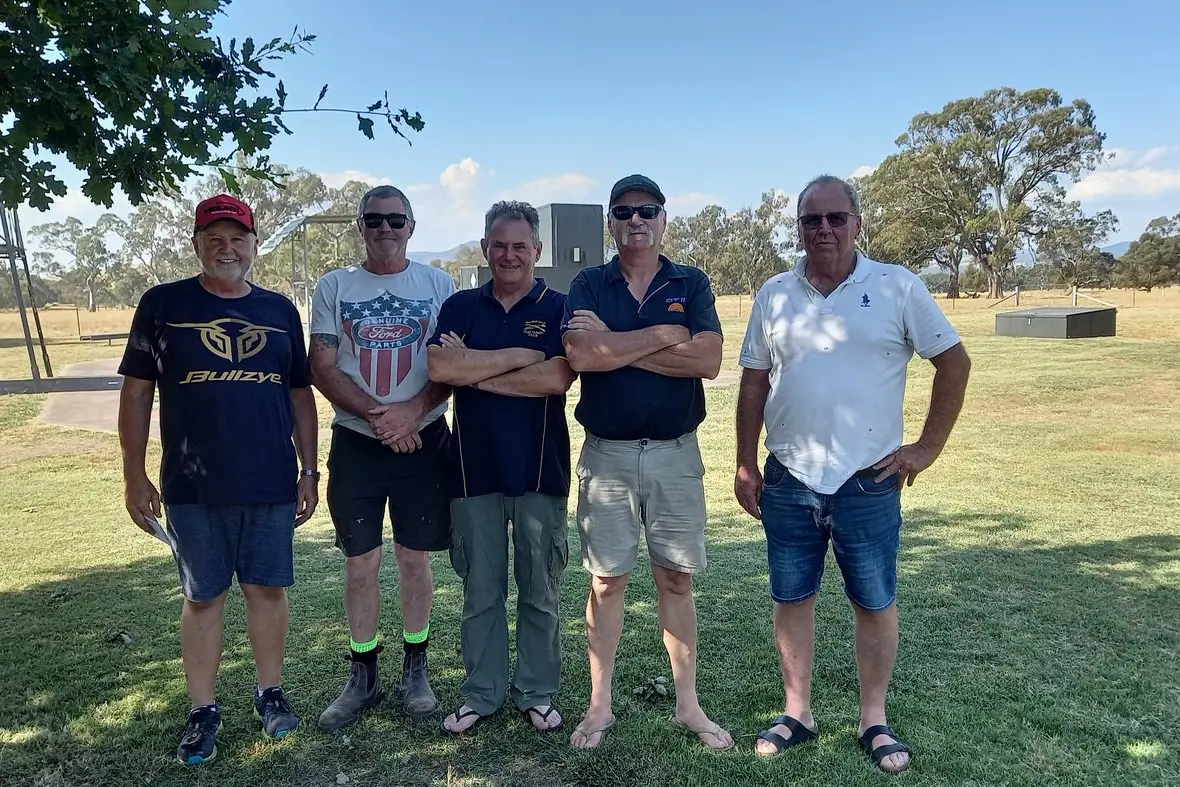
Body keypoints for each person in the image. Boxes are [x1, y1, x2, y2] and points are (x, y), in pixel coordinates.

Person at [734, 175, 972, 774]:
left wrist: (925, 448)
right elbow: (754, 381)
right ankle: (798, 712)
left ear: (857, 222)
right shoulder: (774, 293)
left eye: (836, 218)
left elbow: (953, 362)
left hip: (869, 480)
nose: (824, 230)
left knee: (873, 600)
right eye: (811, 220)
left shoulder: (897, 287)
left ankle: (874, 719)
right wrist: (743, 460)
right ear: (798, 227)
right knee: (792, 597)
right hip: (788, 476)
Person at [117, 194, 320, 764]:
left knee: (266, 589)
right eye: (215, 238)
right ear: (198, 245)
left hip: (271, 479)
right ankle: (202, 711)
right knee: (203, 597)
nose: (227, 248)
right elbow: (136, 395)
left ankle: (270, 694)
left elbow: (299, 393)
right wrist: (134, 477)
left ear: (254, 244)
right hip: (191, 484)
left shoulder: (280, 311)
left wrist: (309, 468)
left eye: (238, 238)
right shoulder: (162, 305)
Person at [561, 174, 733, 751]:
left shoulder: (691, 281)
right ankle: (598, 707)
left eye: (648, 211)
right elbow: (582, 354)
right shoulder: (589, 281)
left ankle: (688, 707)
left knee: (676, 578)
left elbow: (707, 359)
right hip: (606, 457)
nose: (636, 220)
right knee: (606, 583)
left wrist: (618, 343)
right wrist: (663, 336)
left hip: (674, 454)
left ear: (663, 219)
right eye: (624, 211)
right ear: (611, 221)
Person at [309, 185, 455, 731]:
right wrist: (380, 416)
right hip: (357, 442)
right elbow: (321, 365)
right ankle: (363, 672)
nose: (385, 229)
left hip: (424, 441)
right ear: (361, 226)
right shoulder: (335, 286)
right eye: (375, 220)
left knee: (415, 560)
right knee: (360, 562)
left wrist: (411, 413)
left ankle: (416, 665)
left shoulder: (438, 284)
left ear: (411, 226)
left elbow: (449, 364)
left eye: (396, 220)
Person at [426, 200, 576, 735]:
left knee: (540, 590)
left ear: (537, 250)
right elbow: (442, 366)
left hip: (540, 472)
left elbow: (557, 378)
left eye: (520, 246)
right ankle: (482, 694)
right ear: (485, 247)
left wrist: (476, 368)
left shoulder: (560, 306)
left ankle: (536, 692)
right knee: (481, 592)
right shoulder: (461, 306)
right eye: (499, 245)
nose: (509, 255)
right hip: (471, 474)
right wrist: (523, 355)